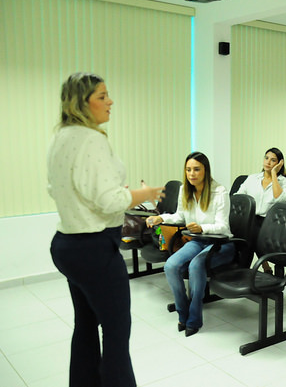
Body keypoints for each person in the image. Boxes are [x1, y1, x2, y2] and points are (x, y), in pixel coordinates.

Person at [48, 73, 165, 387]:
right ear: (81, 103)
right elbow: (107, 199)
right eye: (102, 96)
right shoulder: (91, 139)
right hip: (94, 247)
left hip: (66, 245)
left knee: (85, 326)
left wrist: (110, 193)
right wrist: (146, 193)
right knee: (116, 332)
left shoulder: (61, 136)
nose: (110, 101)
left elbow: (56, 188)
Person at [146, 152, 233, 337]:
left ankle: (194, 318)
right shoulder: (185, 190)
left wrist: (202, 228)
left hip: (221, 243)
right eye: (188, 170)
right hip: (198, 240)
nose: (192, 174)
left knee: (196, 265)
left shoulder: (220, 191)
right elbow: (180, 217)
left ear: (205, 170)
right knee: (170, 265)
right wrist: (160, 217)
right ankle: (182, 311)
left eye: (196, 169)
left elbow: (223, 226)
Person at [236, 147, 286, 273]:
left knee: (247, 237)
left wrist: (274, 174)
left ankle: (241, 272)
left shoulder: (284, 182)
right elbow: (238, 197)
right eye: (266, 158)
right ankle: (256, 268)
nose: (268, 162)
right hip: (251, 220)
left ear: (279, 164)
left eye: (273, 160)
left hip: (271, 223)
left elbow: (279, 198)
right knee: (245, 233)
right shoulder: (252, 178)